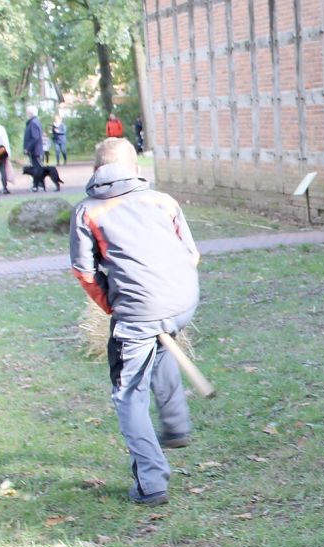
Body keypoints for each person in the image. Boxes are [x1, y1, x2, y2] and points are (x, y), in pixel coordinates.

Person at [70, 138, 200, 506]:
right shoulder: (163, 201)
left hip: (139, 310)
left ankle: (151, 482)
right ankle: (175, 426)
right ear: (136, 169)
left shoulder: (87, 211)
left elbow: (83, 271)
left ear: (96, 171)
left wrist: (111, 306)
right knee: (160, 345)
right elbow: (191, 255)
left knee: (129, 393)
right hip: (183, 301)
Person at [23, 105, 44, 191]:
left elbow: (35, 137)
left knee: (37, 168)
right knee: (37, 168)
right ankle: (39, 184)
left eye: (27, 112)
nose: (26, 114)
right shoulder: (35, 122)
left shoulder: (33, 123)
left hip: (35, 150)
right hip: (36, 149)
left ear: (30, 113)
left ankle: (37, 185)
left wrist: (27, 148)